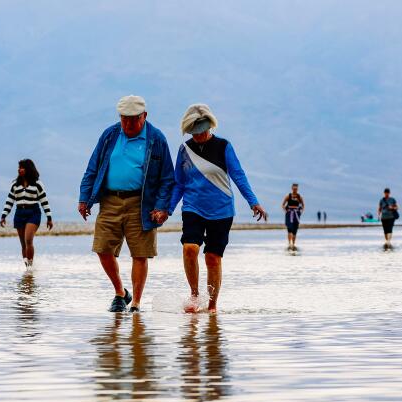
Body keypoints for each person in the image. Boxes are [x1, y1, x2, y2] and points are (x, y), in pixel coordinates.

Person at [164, 104, 267, 313]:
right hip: (193, 207)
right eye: (195, 131)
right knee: (190, 248)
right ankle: (194, 296)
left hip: (221, 210)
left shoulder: (223, 146)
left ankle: (212, 305)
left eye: (202, 130)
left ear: (210, 126)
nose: (199, 135)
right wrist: (168, 209)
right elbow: (179, 183)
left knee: (212, 257)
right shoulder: (185, 150)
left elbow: (238, 175)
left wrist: (253, 201)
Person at [79, 95, 174, 312]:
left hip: (142, 203)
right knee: (102, 248)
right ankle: (121, 293)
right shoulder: (110, 135)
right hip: (110, 200)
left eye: (133, 119)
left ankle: (137, 303)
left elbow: (167, 178)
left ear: (144, 116)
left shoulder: (156, 139)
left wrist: (162, 207)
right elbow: (92, 168)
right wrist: (84, 198)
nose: (128, 124)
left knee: (140, 253)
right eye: (124, 119)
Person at [1, 158, 53, 268]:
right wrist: (4, 215)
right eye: (19, 168)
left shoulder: (37, 184)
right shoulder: (15, 185)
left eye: (22, 168)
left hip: (33, 212)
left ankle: (30, 265)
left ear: (28, 169)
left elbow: (44, 201)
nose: (19, 170)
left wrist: (49, 217)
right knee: (23, 244)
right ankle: (27, 269)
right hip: (19, 213)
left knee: (28, 240)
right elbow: (10, 200)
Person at [281, 183, 304, 250]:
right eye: (294, 189)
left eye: (296, 189)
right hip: (289, 214)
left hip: (296, 214)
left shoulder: (299, 197)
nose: (295, 190)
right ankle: (289, 243)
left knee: (295, 230)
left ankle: (293, 244)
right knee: (289, 229)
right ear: (292, 188)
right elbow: (283, 204)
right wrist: (286, 211)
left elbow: (303, 205)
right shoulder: (288, 196)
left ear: (297, 189)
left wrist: (301, 211)